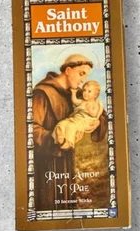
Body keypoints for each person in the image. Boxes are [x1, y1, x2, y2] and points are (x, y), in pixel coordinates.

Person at [33, 54, 107, 210]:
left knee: (67, 203)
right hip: (47, 163)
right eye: (81, 74)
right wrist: (57, 141)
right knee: (49, 205)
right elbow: (31, 129)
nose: (83, 80)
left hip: (67, 161)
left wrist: (97, 122)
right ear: (68, 70)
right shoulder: (42, 92)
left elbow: (101, 114)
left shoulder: (78, 93)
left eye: (86, 76)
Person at [54, 80, 103, 150]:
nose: (85, 93)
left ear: (95, 95)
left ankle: (68, 143)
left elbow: (95, 114)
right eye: (84, 90)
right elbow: (75, 101)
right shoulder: (82, 101)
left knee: (71, 126)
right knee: (63, 123)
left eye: (89, 91)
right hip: (76, 119)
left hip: (85, 121)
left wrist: (90, 110)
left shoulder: (95, 104)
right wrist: (73, 93)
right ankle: (60, 135)